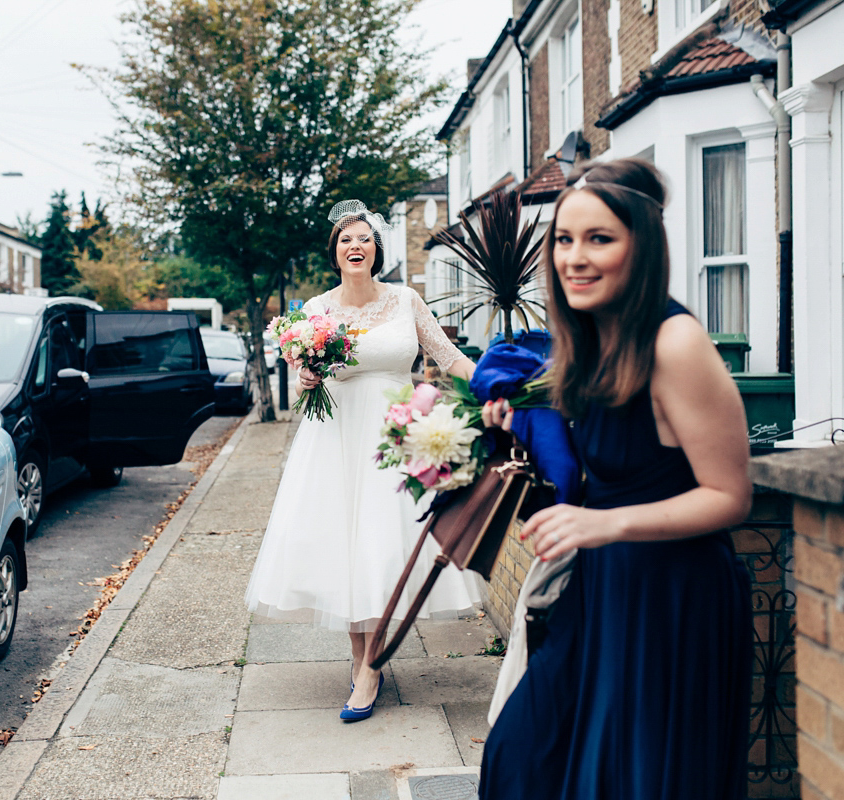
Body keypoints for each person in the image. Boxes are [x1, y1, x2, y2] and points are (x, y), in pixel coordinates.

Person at [478, 158, 753, 799]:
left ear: (643, 245)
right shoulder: (597, 338)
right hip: (602, 589)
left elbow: (730, 496)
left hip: (672, 603)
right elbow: (601, 465)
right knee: (521, 756)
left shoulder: (675, 342)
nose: (575, 257)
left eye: (599, 239)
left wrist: (605, 523)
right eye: (565, 240)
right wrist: (519, 428)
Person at [245, 200, 481, 722]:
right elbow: (308, 387)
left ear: (377, 250)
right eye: (346, 240)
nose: (356, 246)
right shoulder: (314, 311)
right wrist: (307, 378)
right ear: (335, 254)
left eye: (365, 238)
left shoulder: (405, 300)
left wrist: (494, 385)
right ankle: (363, 662)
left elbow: (448, 357)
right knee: (346, 548)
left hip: (394, 437)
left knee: (380, 545)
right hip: (335, 441)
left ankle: (370, 666)